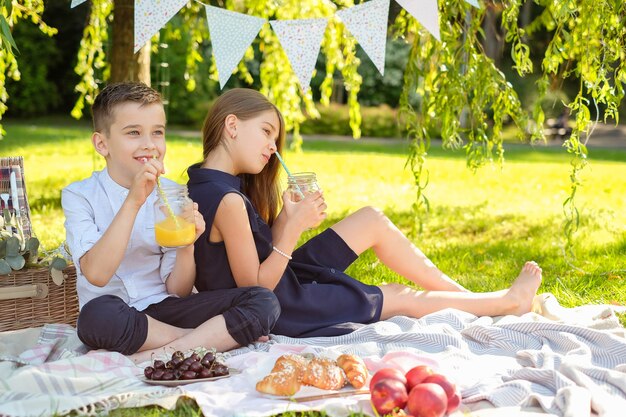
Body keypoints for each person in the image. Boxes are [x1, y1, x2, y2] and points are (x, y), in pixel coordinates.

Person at [188, 88, 543, 338]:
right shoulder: (229, 200)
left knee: (371, 219)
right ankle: (504, 302)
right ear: (232, 126)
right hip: (282, 307)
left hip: (283, 280)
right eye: (266, 132)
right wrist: (294, 228)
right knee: (395, 295)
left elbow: (251, 254)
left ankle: (473, 301)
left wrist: (285, 216)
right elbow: (255, 289)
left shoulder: (203, 182)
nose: (271, 146)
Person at [62, 82, 280, 363]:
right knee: (94, 318)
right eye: (133, 133)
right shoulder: (79, 195)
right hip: (116, 314)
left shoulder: (173, 194)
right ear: (102, 144)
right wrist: (134, 201)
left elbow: (178, 290)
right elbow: (97, 274)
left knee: (263, 301)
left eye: (157, 133)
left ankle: (158, 354)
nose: (149, 145)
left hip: (163, 310)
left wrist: (187, 245)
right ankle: (200, 338)